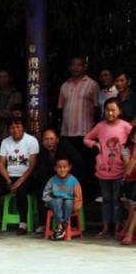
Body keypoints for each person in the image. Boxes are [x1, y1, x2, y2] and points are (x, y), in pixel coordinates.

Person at [84, 98, 132, 238]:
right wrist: (95, 145)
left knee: (116, 200)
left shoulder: (125, 126)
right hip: (103, 169)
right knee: (106, 200)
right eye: (108, 110)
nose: (110, 113)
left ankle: (117, 227)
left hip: (120, 170)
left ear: (120, 111)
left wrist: (128, 153)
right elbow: (86, 138)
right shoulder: (100, 126)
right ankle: (105, 227)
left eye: (113, 110)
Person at [58, 56, 100, 201]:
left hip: (86, 132)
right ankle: (72, 194)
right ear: (69, 67)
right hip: (67, 132)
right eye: (73, 65)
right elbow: (61, 108)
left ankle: (89, 195)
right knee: (71, 165)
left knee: (87, 164)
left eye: (79, 65)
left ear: (84, 67)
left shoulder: (92, 84)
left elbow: (96, 108)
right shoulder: (64, 86)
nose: (76, 68)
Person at [34, 128, 84, 233]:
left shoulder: (65, 147)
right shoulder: (42, 152)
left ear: (57, 139)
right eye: (46, 139)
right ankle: (43, 223)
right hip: (52, 181)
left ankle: (71, 224)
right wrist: (53, 184)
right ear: (42, 141)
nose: (49, 142)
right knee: (40, 189)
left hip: (68, 179)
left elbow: (78, 163)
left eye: (51, 139)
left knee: (69, 199)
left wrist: (67, 179)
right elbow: (41, 172)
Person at [0, 118, 39, 235]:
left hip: (26, 177)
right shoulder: (5, 142)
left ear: (23, 128)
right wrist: (8, 180)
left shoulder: (31, 141)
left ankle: (23, 224)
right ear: (9, 130)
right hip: (9, 176)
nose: (15, 130)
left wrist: (19, 181)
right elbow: (1, 163)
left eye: (18, 127)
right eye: (12, 128)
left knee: (21, 190)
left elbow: (32, 165)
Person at [42, 157, 83, 240]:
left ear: (69, 168)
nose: (62, 169)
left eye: (64, 167)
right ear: (55, 168)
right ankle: (62, 225)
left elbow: (78, 195)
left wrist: (76, 206)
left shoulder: (73, 180)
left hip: (69, 201)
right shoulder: (52, 180)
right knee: (57, 201)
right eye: (59, 167)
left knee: (68, 202)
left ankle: (61, 228)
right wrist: (51, 200)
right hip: (55, 201)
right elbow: (45, 195)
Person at [119, 125, 136, 245]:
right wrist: (134, 156)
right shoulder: (126, 150)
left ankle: (126, 231)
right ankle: (129, 233)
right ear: (132, 138)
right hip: (130, 183)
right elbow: (128, 171)